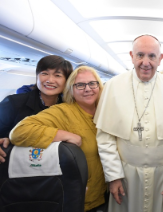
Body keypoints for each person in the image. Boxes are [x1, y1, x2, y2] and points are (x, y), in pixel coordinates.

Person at [94, 35, 163, 212]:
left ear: (160, 59)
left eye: (152, 56)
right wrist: (114, 177)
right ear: (131, 56)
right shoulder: (113, 86)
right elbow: (106, 139)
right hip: (125, 176)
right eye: (140, 55)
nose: (145, 62)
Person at [10, 66, 107, 212]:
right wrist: (65, 135)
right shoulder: (63, 112)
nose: (87, 89)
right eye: (80, 85)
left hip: (108, 193)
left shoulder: (107, 111)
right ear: (71, 90)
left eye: (92, 83)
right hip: (80, 200)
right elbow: (19, 132)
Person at [0, 55, 73, 163]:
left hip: (53, 168)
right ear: (37, 76)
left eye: (57, 75)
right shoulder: (13, 103)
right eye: (44, 73)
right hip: (15, 166)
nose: (50, 80)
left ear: (66, 81)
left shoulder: (68, 108)